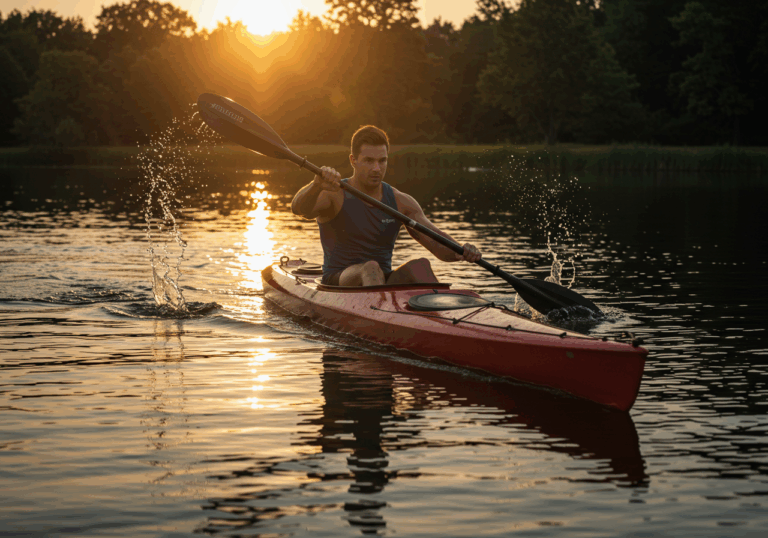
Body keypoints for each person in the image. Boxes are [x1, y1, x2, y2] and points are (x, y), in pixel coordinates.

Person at [291, 125, 481, 287]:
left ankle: (442, 316)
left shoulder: (401, 201)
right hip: (338, 280)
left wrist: (461, 251)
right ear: (353, 160)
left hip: (380, 281)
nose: (376, 168)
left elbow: (437, 244)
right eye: (369, 161)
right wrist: (315, 185)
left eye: (382, 161)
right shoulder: (334, 193)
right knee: (371, 267)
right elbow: (299, 209)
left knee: (420, 265)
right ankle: (377, 315)